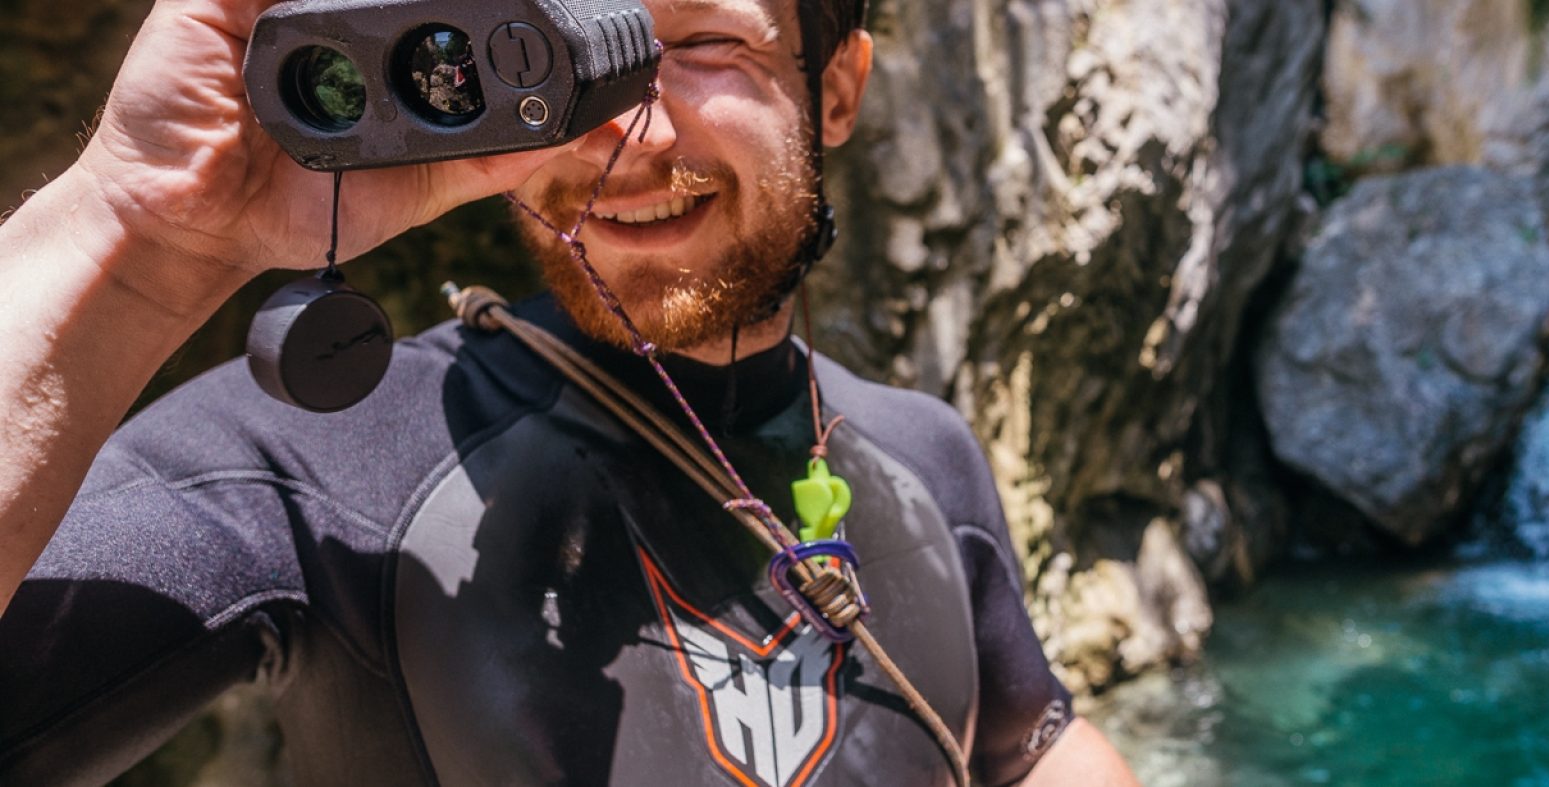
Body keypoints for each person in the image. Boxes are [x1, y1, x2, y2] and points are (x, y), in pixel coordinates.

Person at [0, 0, 1139, 783]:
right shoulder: (318, 455)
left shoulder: (924, 451)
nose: (625, 136)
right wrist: (134, 230)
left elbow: (1032, 741)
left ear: (834, 89)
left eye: (697, 42)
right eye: (566, 56)